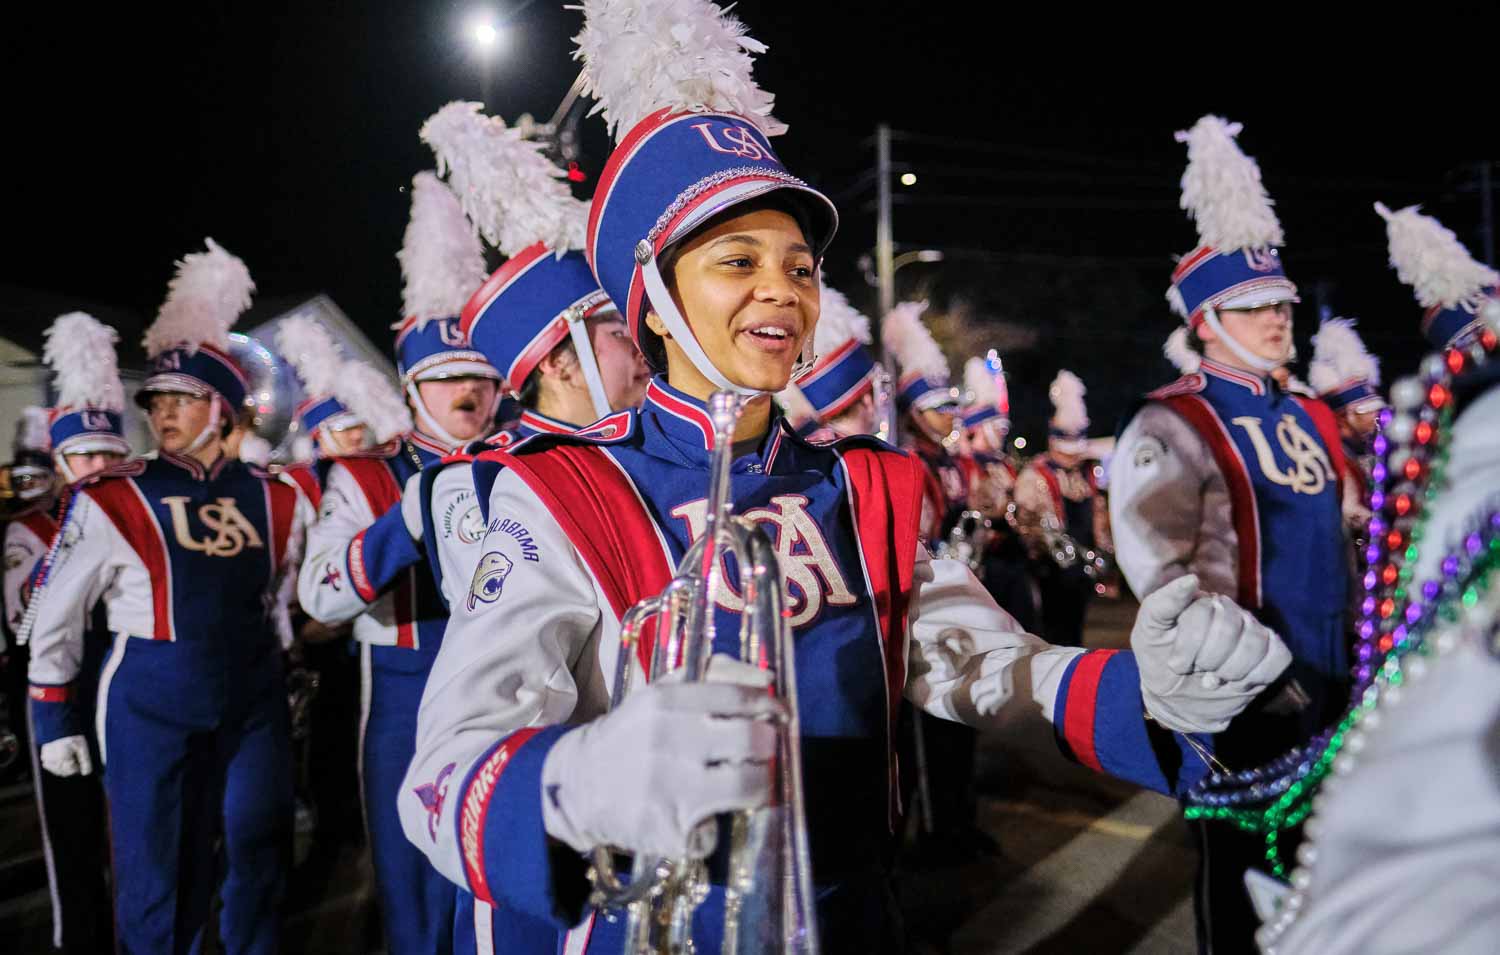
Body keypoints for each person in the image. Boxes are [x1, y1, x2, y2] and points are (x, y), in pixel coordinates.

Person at [397, 6, 1293, 953]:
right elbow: (444, 773)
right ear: (651, 299)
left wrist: (1148, 690)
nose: (784, 288)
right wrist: (579, 783)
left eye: (800, 265)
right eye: (737, 261)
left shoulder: (864, 486)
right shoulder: (561, 490)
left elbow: (978, 663)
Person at [24, 240, 308, 955]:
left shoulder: (277, 497)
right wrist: (51, 716)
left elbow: (275, 597)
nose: (164, 411)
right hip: (149, 699)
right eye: (156, 400)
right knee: (157, 873)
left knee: (259, 849)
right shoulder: (114, 493)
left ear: (223, 407)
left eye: (184, 398)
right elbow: (54, 616)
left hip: (250, 695)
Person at [1109, 116, 1350, 954]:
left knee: (1323, 866)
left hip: (1335, 681)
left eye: (1280, 299)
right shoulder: (1172, 420)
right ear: (1207, 319)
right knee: (1242, 874)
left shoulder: (1311, 414)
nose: (1277, 316)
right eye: (1252, 304)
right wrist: (1228, 675)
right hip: (1246, 696)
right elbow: (1159, 573)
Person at [295, 170, 500, 955]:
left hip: (507, 688)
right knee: (413, 903)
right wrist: (405, 519)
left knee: (490, 890)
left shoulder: (521, 463)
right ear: (413, 385)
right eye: (446, 376)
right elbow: (321, 590)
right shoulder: (366, 474)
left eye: (479, 377)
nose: (466, 393)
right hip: (405, 696)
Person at [5, 312, 132, 952]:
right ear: (60, 460)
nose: (96, 467)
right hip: (63, 687)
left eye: (109, 453)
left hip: (125, 687)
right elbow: (25, 620)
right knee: (73, 835)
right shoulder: (33, 531)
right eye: (83, 454)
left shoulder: (135, 513)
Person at [1017, 370, 1111, 647]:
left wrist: (1102, 551)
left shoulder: (1086, 474)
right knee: (1051, 631)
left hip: (1082, 567)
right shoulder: (1036, 474)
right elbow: (1026, 521)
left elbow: (1098, 513)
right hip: (1049, 568)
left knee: (1074, 629)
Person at [1306, 317, 1384, 536]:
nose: (1375, 416)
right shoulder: (1334, 462)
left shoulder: (1377, 451)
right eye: (1364, 412)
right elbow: (1350, 512)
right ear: (1341, 419)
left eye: (1375, 409)